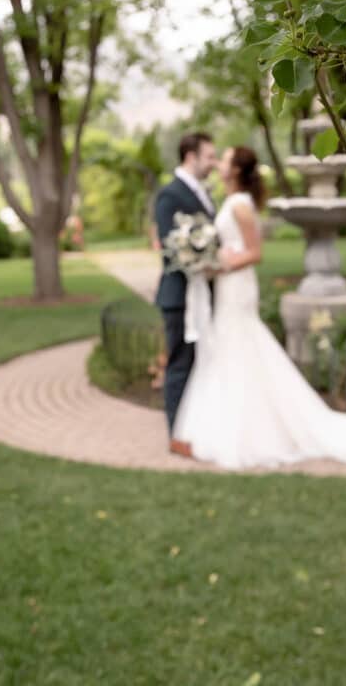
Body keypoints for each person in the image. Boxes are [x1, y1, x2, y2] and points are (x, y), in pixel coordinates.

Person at [173, 146, 346, 469]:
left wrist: (217, 265)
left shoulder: (239, 205)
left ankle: (250, 431)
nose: (219, 162)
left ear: (235, 170)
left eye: (225, 158)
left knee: (239, 344)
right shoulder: (234, 201)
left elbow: (254, 253)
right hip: (228, 286)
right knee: (230, 346)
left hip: (236, 286)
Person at [154, 131, 217, 455]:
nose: (214, 163)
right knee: (180, 363)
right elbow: (170, 247)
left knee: (201, 363)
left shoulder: (203, 192)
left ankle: (195, 428)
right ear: (190, 157)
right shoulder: (170, 195)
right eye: (209, 156)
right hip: (180, 297)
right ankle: (176, 436)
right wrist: (201, 260)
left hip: (204, 295)